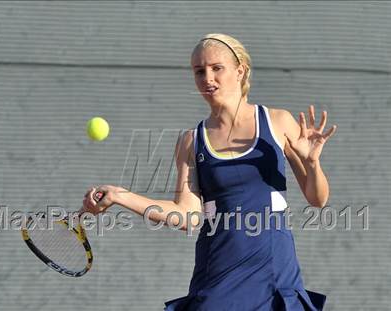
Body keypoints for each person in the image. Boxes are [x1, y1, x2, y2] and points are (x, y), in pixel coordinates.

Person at [82, 33, 337, 311]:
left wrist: (312, 164)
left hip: (276, 277)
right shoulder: (191, 141)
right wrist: (121, 196)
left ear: (240, 71)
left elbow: (317, 198)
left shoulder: (278, 122)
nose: (207, 78)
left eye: (217, 68)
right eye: (199, 71)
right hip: (218, 278)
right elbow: (187, 216)